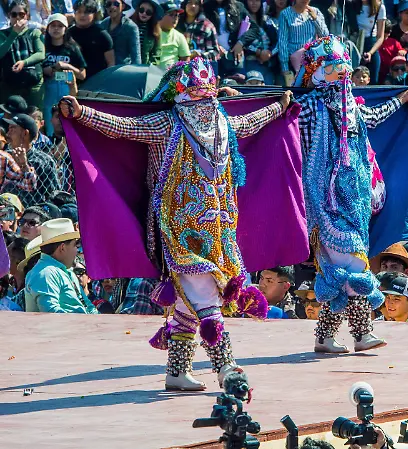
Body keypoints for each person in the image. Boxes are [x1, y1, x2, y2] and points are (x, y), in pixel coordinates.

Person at [60, 57, 292, 392]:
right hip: (177, 229)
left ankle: (176, 372)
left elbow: (251, 121)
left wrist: (278, 107)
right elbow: (123, 127)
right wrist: (83, 114)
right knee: (206, 297)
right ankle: (226, 368)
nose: (205, 106)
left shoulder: (223, 123)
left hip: (218, 229)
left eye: (208, 98)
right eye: (200, 97)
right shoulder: (170, 124)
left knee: (189, 302)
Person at [292, 36, 408, 353]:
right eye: (333, 67)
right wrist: (241, 98)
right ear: (318, 70)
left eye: (341, 67)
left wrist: (400, 100)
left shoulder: (349, 105)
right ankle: (361, 333)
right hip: (325, 200)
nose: (339, 72)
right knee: (353, 266)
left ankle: (325, 338)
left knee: (346, 269)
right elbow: (285, 122)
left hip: (355, 202)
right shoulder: (308, 106)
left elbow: (372, 118)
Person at [25, 218, 96, 314]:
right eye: (75, 245)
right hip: (69, 328)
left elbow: (88, 306)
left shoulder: (66, 271)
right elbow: (51, 313)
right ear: (62, 248)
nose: (77, 250)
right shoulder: (45, 273)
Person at [42, 14, 87, 138]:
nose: (56, 29)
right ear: (48, 28)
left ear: (65, 29)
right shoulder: (43, 47)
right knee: (50, 125)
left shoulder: (72, 48)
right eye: (53, 26)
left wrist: (68, 67)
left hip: (66, 89)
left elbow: (82, 75)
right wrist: (45, 70)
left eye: (60, 26)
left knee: (66, 124)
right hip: (47, 91)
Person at [0, 0, 45, 109]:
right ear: (8, 15)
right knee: (10, 117)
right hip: (9, 83)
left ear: (27, 16)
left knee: (34, 115)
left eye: (21, 14)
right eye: (14, 14)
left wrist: (24, 62)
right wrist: (13, 34)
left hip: (33, 83)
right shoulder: (2, 34)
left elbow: (41, 54)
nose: (18, 18)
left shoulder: (34, 32)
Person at [277, 0, 327, 85]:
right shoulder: (285, 14)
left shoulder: (316, 12)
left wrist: (315, 19)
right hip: (293, 64)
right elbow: (282, 43)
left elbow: (325, 36)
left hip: (314, 62)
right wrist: (285, 69)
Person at [70, 0, 114, 80]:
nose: (82, 15)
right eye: (79, 12)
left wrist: (107, 80)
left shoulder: (102, 34)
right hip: (72, 81)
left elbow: (111, 63)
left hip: (97, 81)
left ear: (94, 14)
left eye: (86, 12)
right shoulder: (68, 34)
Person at [177, 0, 219, 64]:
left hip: (199, 67)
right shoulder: (176, 24)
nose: (193, 6)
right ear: (184, 5)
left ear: (200, 7)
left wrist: (200, 55)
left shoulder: (207, 26)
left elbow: (215, 52)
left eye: (196, 4)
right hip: (177, 66)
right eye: (190, 2)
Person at [100, 0, 141, 65]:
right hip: (104, 70)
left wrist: (137, 72)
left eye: (116, 4)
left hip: (122, 70)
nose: (112, 7)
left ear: (123, 6)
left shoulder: (131, 27)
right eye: (109, 4)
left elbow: (136, 56)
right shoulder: (103, 24)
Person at [157, 0, 191, 70]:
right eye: (171, 15)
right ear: (161, 15)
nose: (175, 18)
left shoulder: (179, 36)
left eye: (177, 15)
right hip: (152, 73)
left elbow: (185, 60)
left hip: (172, 75)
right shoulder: (152, 33)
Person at [131, 0, 163, 65]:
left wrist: (149, 68)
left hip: (144, 67)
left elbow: (156, 54)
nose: (144, 13)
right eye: (141, 10)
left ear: (153, 14)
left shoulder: (156, 31)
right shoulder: (128, 25)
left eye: (148, 12)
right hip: (128, 66)